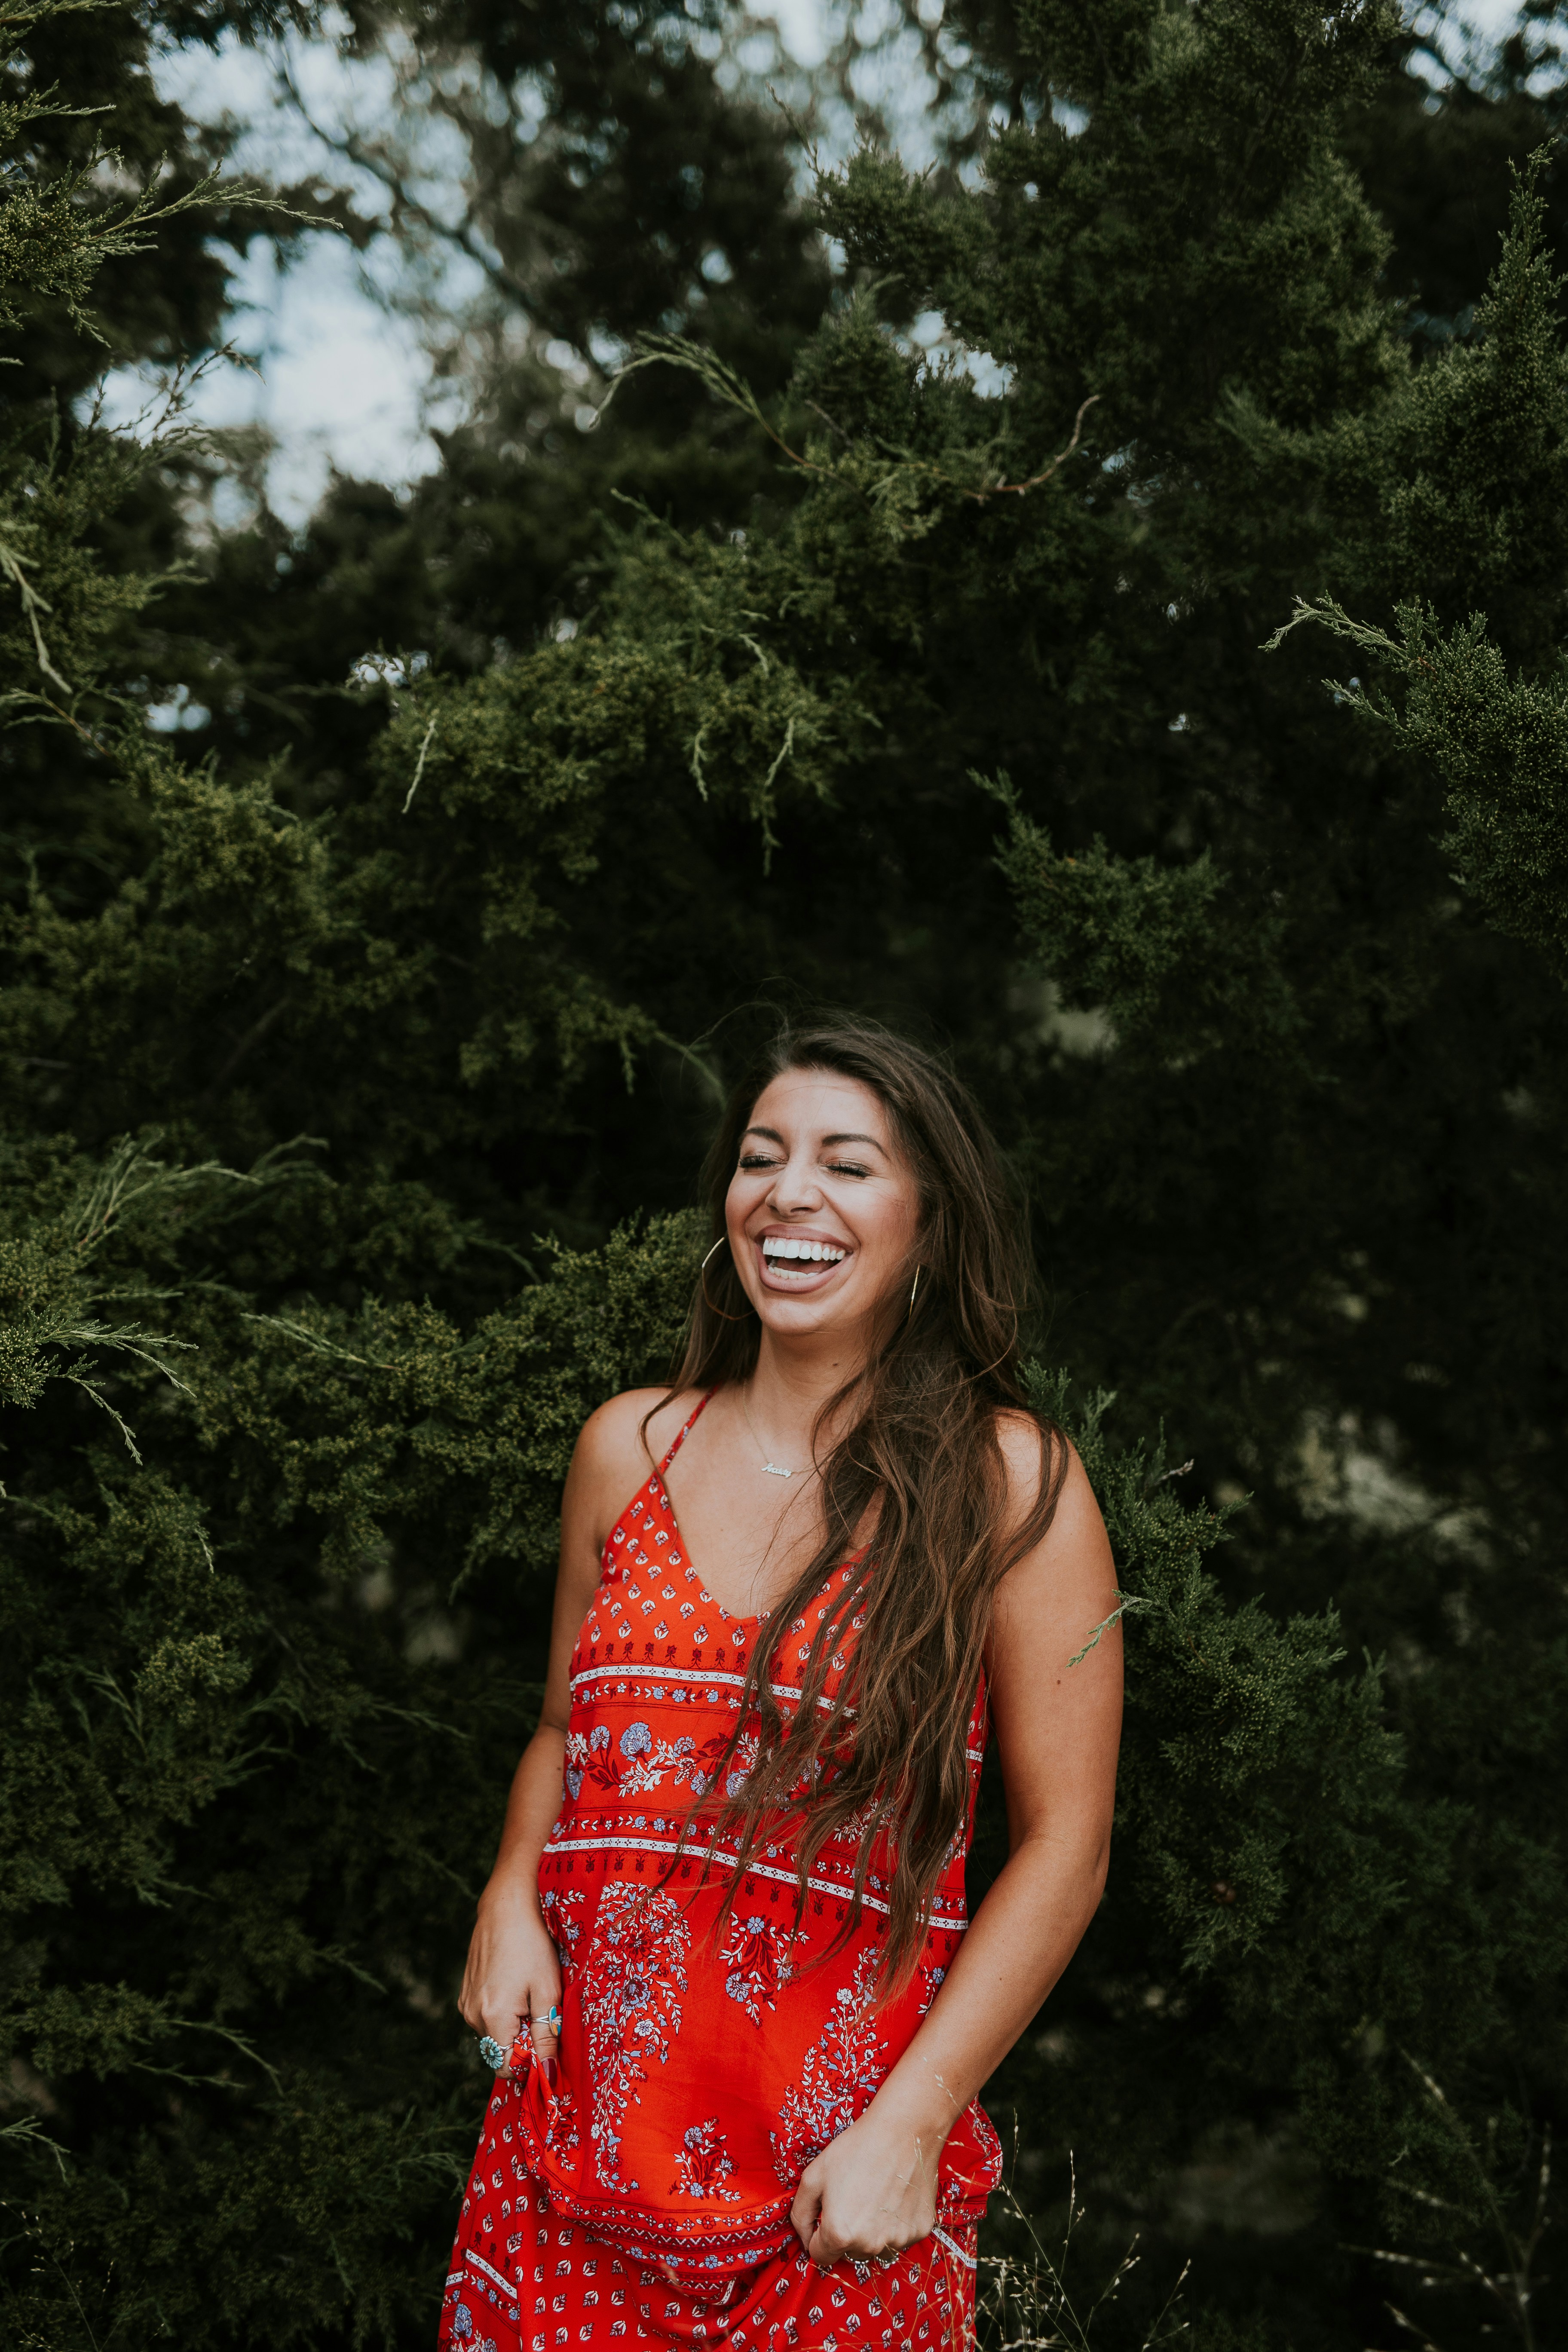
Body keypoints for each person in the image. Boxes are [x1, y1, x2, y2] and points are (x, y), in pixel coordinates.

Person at [441, 1017, 1122, 2352]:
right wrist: (510, 1890)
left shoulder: (1009, 1482)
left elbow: (1068, 1846)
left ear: (930, 1224)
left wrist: (913, 2127)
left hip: (834, 2214)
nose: (789, 1193)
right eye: (763, 1157)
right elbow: (559, 1728)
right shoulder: (625, 1448)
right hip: (560, 2183)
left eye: (847, 1164)